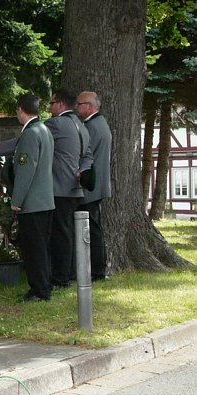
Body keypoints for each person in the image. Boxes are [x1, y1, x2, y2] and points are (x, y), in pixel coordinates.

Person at [0, 88, 92, 290]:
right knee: (65, 236)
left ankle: (55, 279)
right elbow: (88, 154)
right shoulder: (82, 126)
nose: (50, 108)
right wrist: (82, 171)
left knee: (49, 239)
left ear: (60, 104)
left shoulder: (51, 125)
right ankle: (65, 275)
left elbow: (26, 146)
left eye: (52, 104)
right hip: (74, 188)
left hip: (55, 189)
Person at [6, 94, 55, 301]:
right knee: (42, 247)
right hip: (45, 200)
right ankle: (44, 286)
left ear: (20, 109)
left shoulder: (30, 134)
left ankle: (39, 290)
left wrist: (16, 200)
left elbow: (26, 169)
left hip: (32, 203)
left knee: (34, 249)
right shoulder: (44, 130)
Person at [76, 91, 112, 281]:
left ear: (89, 106)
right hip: (96, 185)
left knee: (92, 231)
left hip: (90, 186)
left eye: (79, 104)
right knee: (94, 229)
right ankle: (97, 269)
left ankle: (97, 270)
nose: (76, 107)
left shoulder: (91, 127)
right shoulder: (100, 123)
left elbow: (82, 154)